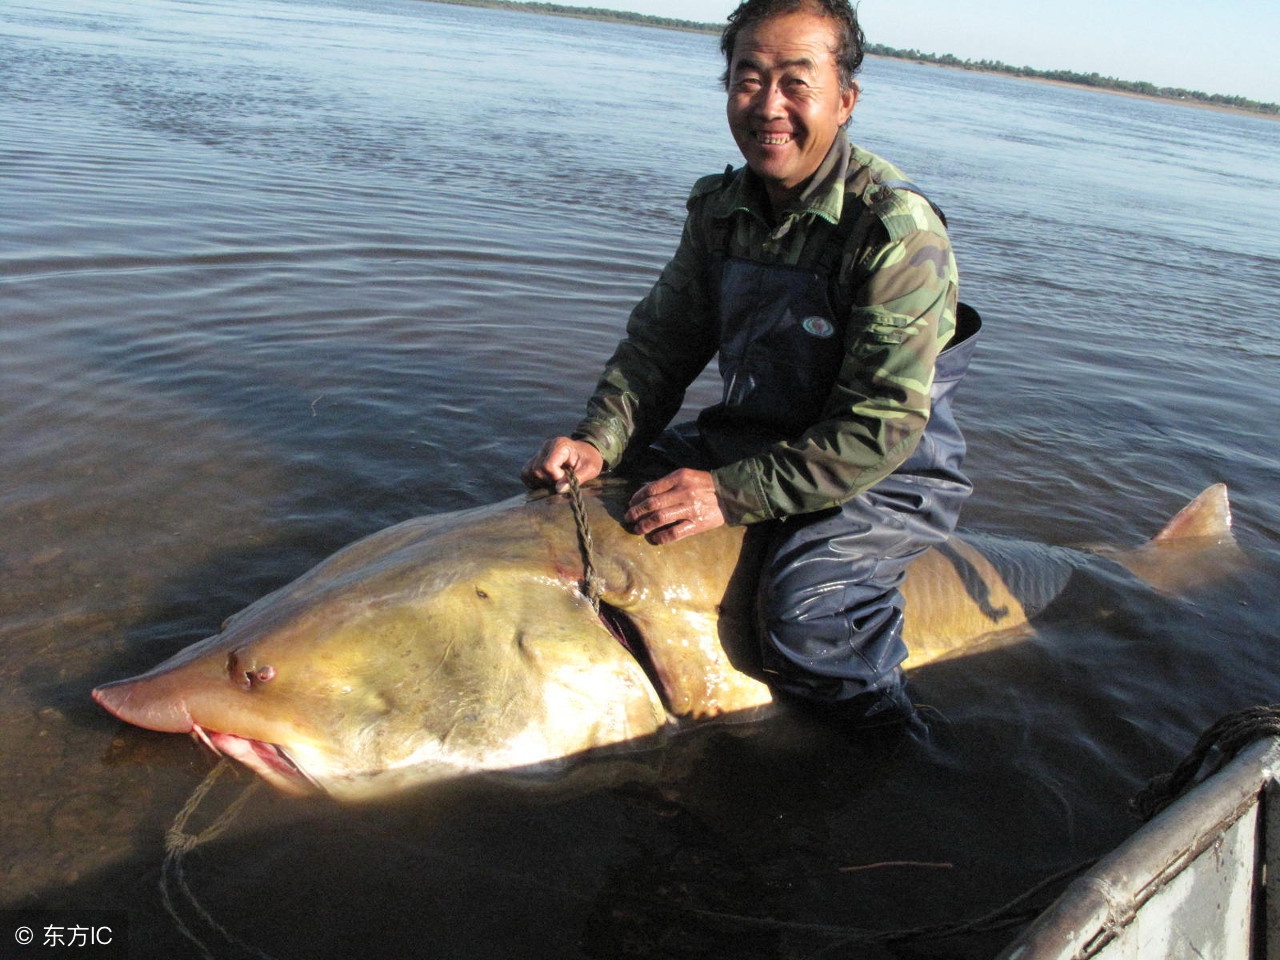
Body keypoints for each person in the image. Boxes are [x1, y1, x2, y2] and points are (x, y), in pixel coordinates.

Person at [522, 0, 980, 732]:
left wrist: (729, 496)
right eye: (748, 79)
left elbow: (882, 425)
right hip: (756, 441)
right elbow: (659, 349)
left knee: (806, 627)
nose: (770, 107)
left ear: (845, 99)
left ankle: (894, 757)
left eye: (796, 83)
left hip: (887, 475)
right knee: (573, 499)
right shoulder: (720, 209)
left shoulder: (895, 230)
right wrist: (598, 440)